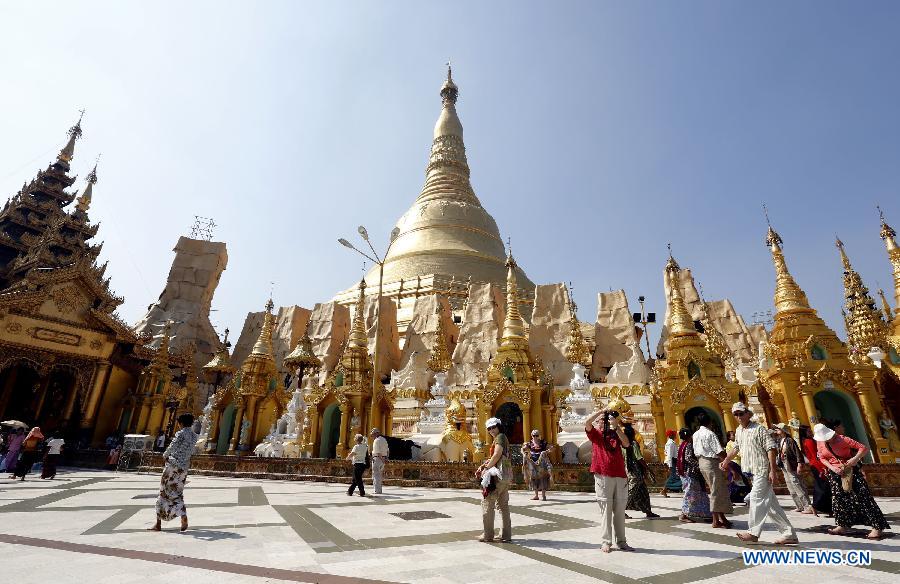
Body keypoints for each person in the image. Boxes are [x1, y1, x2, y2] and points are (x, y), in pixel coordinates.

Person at [721, 402, 797, 545]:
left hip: (762, 469)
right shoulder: (738, 431)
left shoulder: (759, 429)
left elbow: (771, 449)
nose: (738, 417)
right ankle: (789, 534)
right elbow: (736, 447)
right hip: (751, 472)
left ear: (748, 414)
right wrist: (726, 460)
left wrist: (773, 471)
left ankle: (753, 533)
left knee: (755, 499)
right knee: (771, 506)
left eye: (741, 413)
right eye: (736, 414)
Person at [814, 422, 889, 540]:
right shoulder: (820, 442)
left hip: (850, 471)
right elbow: (822, 457)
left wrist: (854, 459)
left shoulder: (842, 439)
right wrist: (832, 468)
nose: (827, 440)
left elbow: (863, 448)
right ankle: (842, 525)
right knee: (839, 500)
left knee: (863, 497)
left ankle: (877, 526)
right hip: (835, 473)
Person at [585, 407, 633, 553]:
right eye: (601, 421)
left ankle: (622, 541)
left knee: (619, 510)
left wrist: (616, 427)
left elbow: (627, 444)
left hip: (619, 475)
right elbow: (586, 422)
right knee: (606, 508)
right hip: (603, 474)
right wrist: (601, 412)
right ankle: (606, 541)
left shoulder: (615, 434)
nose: (603, 423)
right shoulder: (596, 434)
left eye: (605, 421)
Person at [149, 414, 198, 532]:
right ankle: (183, 516)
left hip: (173, 465)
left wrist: (165, 455)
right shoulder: (194, 436)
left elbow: (173, 445)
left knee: (163, 492)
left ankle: (158, 523)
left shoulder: (180, 433)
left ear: (181, 423)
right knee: (178, 492)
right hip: (183, 468)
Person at [692, 413, 733, 528]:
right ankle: (715, 520)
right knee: (716, 490)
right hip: (711, 463)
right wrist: (728, 463)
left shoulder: (695, 434)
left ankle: (722, 518)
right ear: (709, 422)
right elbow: (718, 451)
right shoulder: (710, 434)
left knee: (716, 489)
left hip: (702, 463)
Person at [476, 417, 512, 543]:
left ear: (498, 426)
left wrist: (486, 467)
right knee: (503, 505)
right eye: (489, 428)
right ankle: (505, 535)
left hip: (498, 477)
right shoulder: (502, 437)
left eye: (493, 427)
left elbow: (497, 455)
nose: (491, 430)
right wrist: (485, 464)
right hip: (505, 476)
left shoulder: (500, 437)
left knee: (487, 503)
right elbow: (497, 456)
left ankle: (488, 534)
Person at [772, 423, 813, 514]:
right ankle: (799, 506)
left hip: (791, 464)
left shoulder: (790, 440)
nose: (777, 429)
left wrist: (799, 464)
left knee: (797, 484)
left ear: (783, 430)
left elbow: (797, 452)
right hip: (784, 464)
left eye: (778, 428)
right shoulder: (780, 440)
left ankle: (807, 506)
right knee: (790, 485)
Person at [622, 422, 658, 518]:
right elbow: (639, 458)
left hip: (628, 470)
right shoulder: (633, 443)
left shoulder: (623, 445)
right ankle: (621, 510)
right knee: (631, 491)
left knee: (643, 492)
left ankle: (648, 511)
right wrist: (648, 468)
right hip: (635, 471)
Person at [677, 427, 711, 523]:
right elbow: (688, 458)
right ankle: (684, 514)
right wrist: (699, 465)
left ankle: (704, 513)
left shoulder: (681, 445)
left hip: (684, 472)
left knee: (697, 493)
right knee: (690, 493)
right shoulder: (688, 445)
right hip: (690, 473)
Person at [800, 425, 831, 515]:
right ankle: (816, 506)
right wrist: (822, 468)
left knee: (822, 487)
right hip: (817, 466)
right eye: (808, 431)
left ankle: (824, 508)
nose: (810, 432)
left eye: (811, 430)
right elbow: (815, 456)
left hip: (816, 465)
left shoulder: (807, 441)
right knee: (823, 488)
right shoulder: (809, 441)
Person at [522, 429, 553, 501]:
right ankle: (536, 495)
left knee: (543, 478)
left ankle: (543, 495)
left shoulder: (543, 442)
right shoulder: (529, 443)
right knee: (534, 478)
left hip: (542, 462)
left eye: (537, 435)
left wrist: (546, 451)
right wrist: (524, 453)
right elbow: (523, 449)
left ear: (539, 435)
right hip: (533, 462)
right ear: (531, 436)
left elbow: (551, 448)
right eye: (534, 435)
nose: (535, 437)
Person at [660, 429, 681, 497]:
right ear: (671, 435)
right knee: (673, 477)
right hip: (672, 461)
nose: (675, 435)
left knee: (673, 477)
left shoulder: (672, 443)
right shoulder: (670, 443)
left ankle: (664, 490)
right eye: (674, 434)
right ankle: (664, 490)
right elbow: (670, 455)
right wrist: (670, 466)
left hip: (673, 461)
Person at [370, 428, 389, 495]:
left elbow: (377, 452)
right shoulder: (384, 439)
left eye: (373, 435)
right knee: (379, 475)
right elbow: (387, 450)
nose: (372, 436)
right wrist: (385, 459)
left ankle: (377, 490)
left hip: (377, 459)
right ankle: (379, 490)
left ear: (376, 434)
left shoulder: (376, 440)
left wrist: (382, 459)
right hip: (383, 458)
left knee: (376, 475)